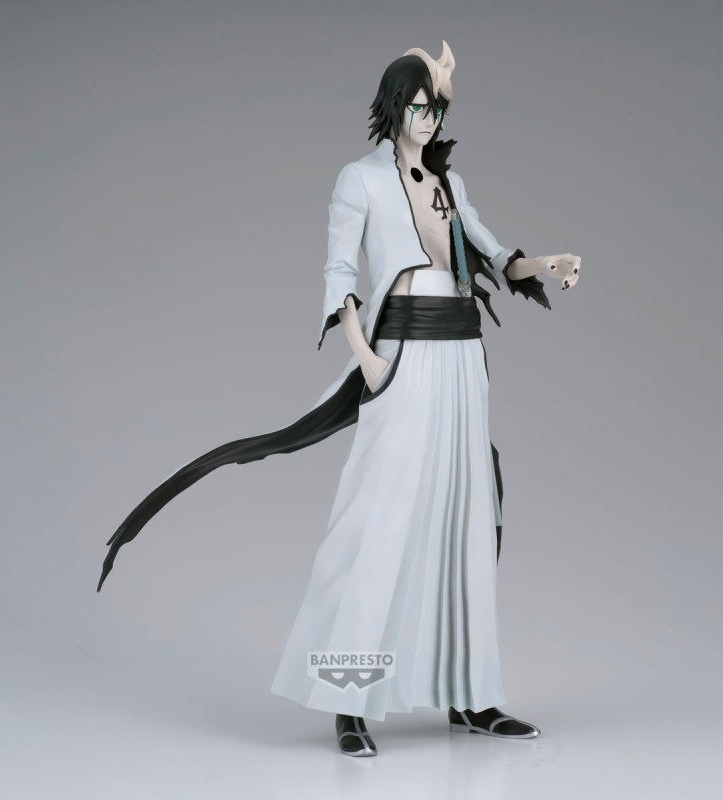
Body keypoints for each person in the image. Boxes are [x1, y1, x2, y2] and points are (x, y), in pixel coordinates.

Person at [97, 41, 582, 758]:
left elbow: (492, 253)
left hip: (462, 360)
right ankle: (348, 699)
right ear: (395, 106)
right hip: (402, 357)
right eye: (419, 105)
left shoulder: (449, 182)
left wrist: (544, 263)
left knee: (466, 521)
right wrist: (368, 360)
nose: (430, 117)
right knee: (376, 523)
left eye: (438, 107)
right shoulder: (360, 180)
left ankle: (472, 695)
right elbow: (339, 274)